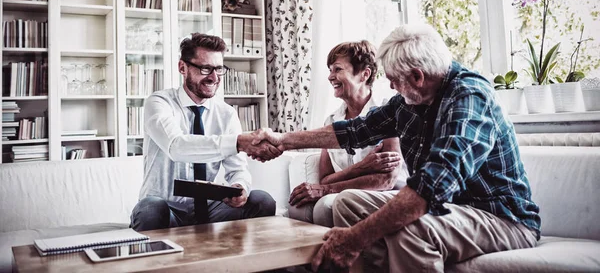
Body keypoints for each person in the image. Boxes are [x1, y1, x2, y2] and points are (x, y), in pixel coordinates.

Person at [244, 24, 540, 272]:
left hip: (501, 218)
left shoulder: (469, 97)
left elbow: (431, 188)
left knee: (411, 228)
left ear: (417, 77)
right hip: (451, 211)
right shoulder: (412, 101)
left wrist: (355, 238)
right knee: (348, 204)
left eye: (394, 80)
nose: (392, 87)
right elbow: (355, 130)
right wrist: (284, 141)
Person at [130, 33, 280, 231]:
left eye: (218, 69)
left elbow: (237, 169)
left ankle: (233, 260)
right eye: (205, 68)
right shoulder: (159, 103)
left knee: (262, 200)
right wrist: (238, 142)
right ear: (182, 68)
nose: (214, 77)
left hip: (211, 209)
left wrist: (239, 186)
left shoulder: (226, 113)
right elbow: (177, 147)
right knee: (150, 208)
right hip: (166, 207)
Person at [289, 40, 408, 227]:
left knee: (326, 205)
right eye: (330, 70)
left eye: (337, 69)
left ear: (364, 74)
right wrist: (362, 167)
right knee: (297, 207)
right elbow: (325, 178)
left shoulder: (387, 113)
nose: (330, 76)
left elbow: (387, 180)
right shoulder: (331, 122)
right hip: (345, 191)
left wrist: (327, 189)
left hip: (386, 191)